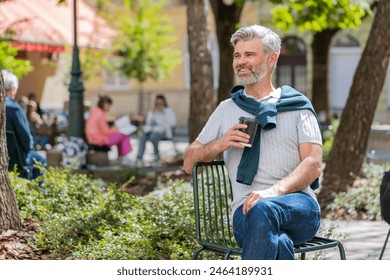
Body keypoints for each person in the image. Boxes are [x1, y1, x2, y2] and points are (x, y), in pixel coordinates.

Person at [183, 25, 322, 260]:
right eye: (237, 55)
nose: (240, 61)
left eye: (249, 55)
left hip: (299, 206)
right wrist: (219, 144)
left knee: (264, 207)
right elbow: (188, 162)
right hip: (245, 213)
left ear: (271, 59)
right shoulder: (226, 109)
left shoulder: (297, 106)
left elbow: (313, 163)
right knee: (279, 241)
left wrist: (273, 192)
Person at [3, 69, 47, 179]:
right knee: (41, 161)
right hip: (16, 158)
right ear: (13, 89)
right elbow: (26, 141)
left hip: (4, 157)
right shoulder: (15, 109)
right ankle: (36, 193)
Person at [85, 95, 133, 165]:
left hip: (92, 139)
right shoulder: (100, 114)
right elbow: (106, 132)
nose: (109, 107)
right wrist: (116, 129)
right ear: (105, 104)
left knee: (120, 136)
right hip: (100, 140)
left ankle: (121, 157)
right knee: (124, 135)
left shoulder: (94, 111)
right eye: (109, 105)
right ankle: (123, 158)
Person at [136, 94, 176, 167]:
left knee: (153, 137)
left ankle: (156, 157)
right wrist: (154, 113)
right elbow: (148, 122)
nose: (159, 104)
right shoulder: (152, 111)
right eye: (157, 103)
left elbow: (172, 123)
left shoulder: (168, 110)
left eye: (160, 103)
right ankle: (139, 158)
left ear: (164, 102)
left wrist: (163, 114)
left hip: (162, 131)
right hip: (151, 130)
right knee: (141, 136)